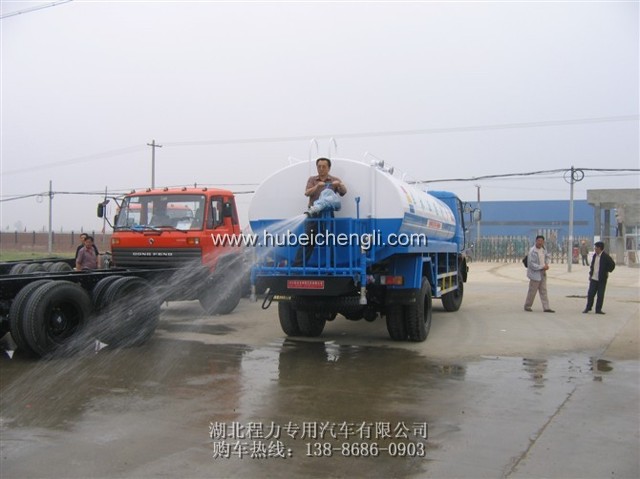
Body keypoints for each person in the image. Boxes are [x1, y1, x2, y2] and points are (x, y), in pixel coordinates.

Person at [293, 158, 347, 266]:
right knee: (308, 239)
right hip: (314, 215)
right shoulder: (312, 180)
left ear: (329, 168)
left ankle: (331, 267)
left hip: (328, 215)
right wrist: (317, 186)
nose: (321, 169)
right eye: (319, 166)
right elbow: (307, 193)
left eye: (324, 166)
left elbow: (344, 192)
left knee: (330, 240)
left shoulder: (334, 180)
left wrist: (340, 185)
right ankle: (297, 267)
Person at [524, 235, 555, 313]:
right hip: (535, 273)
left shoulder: (544, 249)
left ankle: (546, 307)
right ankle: (527, 306)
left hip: (543, 273)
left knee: (543, 290)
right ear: (536, 241)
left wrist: (546, 264)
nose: (540, 242)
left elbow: (547, 256)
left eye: (541, 241)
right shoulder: (532, 251)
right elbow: (531, 264)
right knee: (532, 291)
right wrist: (542, 267)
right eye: (539, 241)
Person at [583, 241, 615, 314]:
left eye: (596, 248)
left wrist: (606, 271)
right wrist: (590, 274)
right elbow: (592, 266)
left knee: (600, 295)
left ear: (600, 248)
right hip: (594, 278)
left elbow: (612, 265)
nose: (595, 249)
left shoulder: (606, 257)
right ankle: (588, 307)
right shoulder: (595, 256)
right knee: (590, 294)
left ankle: (598, 309)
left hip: (602, 279)